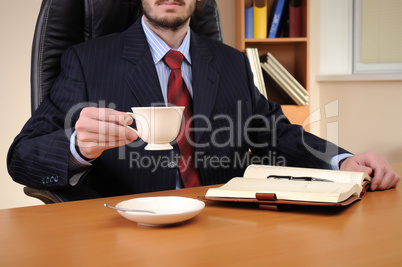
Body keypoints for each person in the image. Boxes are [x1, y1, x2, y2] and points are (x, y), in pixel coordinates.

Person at [7, 0, 400, 197]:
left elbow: (276, 134)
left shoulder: (231, 63)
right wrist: (77, 146)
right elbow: (21, 156)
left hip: (223, 226)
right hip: (125, 232)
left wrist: (344, 159)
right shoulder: (88, 60)